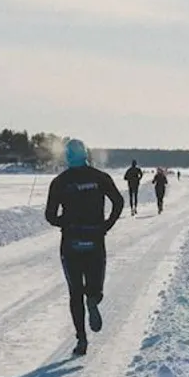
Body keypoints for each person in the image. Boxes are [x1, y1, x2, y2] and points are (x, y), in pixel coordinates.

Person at [46, 139, 125, 356]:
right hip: (95, 239)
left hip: (71, 242)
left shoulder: (60, 182)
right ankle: (93, 300)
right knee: (95, 287)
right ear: (86, 154)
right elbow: (118, 202)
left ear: (67, 157)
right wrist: (106, 225)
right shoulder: (100, 178)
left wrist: (67, 221)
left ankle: (81, 340)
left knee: (75, 293)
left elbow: (50, 216)